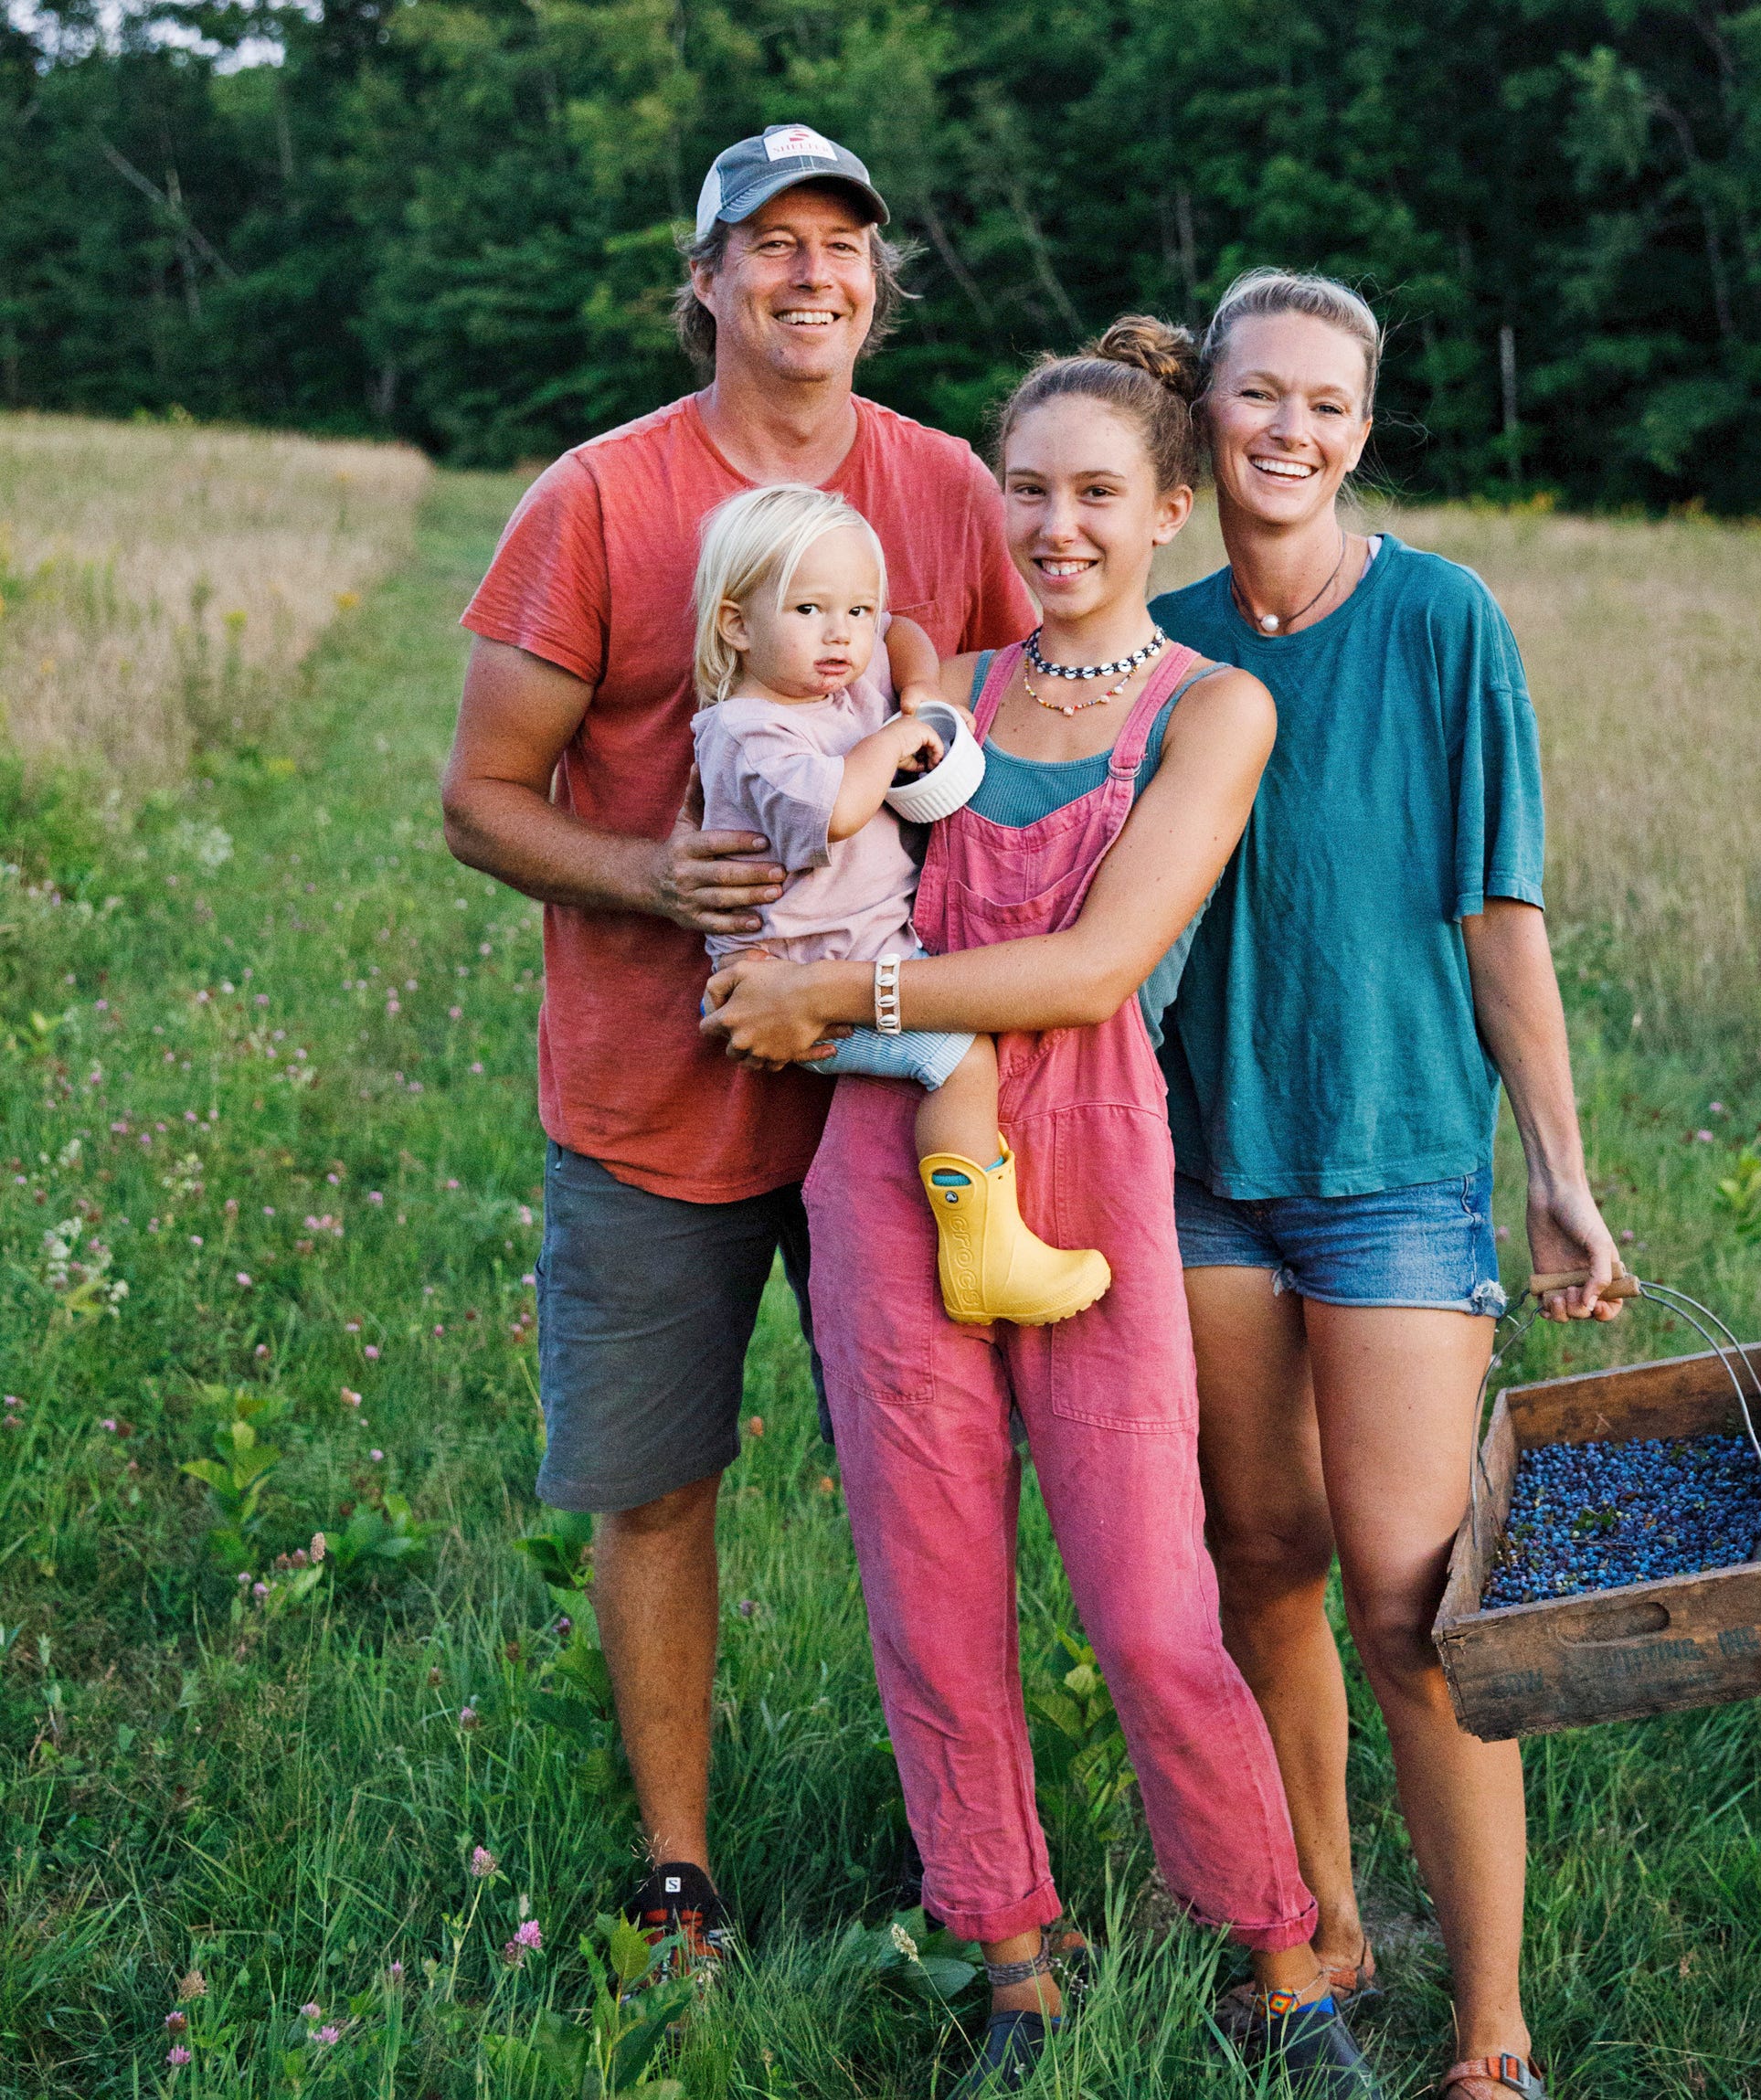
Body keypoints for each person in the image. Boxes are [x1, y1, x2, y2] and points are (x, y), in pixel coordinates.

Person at [701, 321, 1382, 2098]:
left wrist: (841, 1006)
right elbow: (803, 819)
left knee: (1152, 1600)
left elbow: (1091, 969)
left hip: (1078, 1148)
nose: (1056, 525)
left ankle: (1276, 1958)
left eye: (1096, 493)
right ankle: (1009, 1958)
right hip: (890, 1165)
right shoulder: (943, 692)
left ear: (1169, 504)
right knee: (930, 1589)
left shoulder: (1208, 708)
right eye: (1025, 490)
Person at [439, 121, 1034, 1975]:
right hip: (653, 1094)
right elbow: (475, 799)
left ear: (875, 281)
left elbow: (1008, 711)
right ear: (701, 285)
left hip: (886, 1068)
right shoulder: (600, 502)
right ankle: (681, 1866)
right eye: (764, 246)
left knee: (930, 1468)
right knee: (659, 1480)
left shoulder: (940, 482)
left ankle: (980, 1854)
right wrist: (643, 870)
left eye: (838, 246)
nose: (808, 277)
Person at [1149, 270, 1623, 2100]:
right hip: (1197, 1172)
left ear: (1361, 428)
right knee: (1254, 1560)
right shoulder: (1162, 637)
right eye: (1256, 396)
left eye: (1323, 406)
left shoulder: (1436, 621)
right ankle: (1318, 1931)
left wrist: (1554, 1172)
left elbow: (1495, 914)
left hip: (1397, 1171)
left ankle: (1490, 2035)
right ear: (1203, 410)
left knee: (1413, 1602)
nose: (1286, 432)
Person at [689, 481, 1109, 1323]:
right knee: (956, 1053)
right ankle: (982, 1256)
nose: (843, 632)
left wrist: (920, 696)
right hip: (795, 982)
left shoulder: (837, 675)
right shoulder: (750, 729)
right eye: (809, 609)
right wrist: (890, 737)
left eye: (855, 608)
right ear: (736, 624)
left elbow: (904, 631)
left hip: (861, 950)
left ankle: (989, 1234)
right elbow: (839, 809)